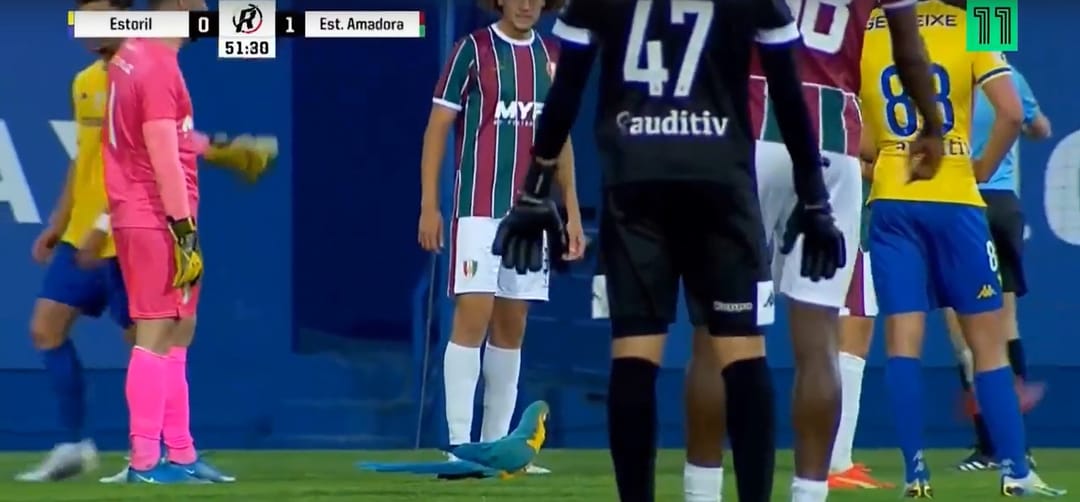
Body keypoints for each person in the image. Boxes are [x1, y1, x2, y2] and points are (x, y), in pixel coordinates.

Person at [494, 0, 850, 500]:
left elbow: (567, 88)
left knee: (636, 352)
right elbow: (788, 96)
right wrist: (815, 199)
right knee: (741, 350)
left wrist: (535, 187)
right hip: (720, 182)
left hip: (635, 181)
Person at [860, 0, 1065, 497]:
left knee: (902, 342)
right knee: (989, 344)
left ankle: (915, 474)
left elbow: (861, 140)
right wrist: (980, 168)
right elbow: (1015, 113)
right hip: (957, 197)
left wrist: (887, 163)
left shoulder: (870, 25)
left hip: (892, 199)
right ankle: (1015, 469)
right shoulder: (978, 20)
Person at [748, 0, 948, 496]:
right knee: (964, 334)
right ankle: (1005, 455)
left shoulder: (973, 26)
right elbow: (1007, 104)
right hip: (943, 183)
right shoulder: (975, 28)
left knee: (730, 332)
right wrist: (938, 129)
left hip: (757, 132)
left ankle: (716, 484)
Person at [417, 0, 585, 473]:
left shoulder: (550, 57)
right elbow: (436, 130)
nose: (527, 4)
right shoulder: (471, 50)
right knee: (472, 316)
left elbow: (561, 138)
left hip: (529, 219)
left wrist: (570, 210)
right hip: (477, 210)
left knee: (512, 327)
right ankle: (457, 444)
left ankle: (498, 448)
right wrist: (430, 204)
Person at [103, 0, 235, 484]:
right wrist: (183, 231)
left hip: (144, 214)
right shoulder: (157, 64)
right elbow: (160, 154)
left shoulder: (132, 54)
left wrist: (218, 148)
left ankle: (181, 453)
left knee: (178, 332)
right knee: (156, 334)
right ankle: (144, 460)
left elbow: (164, 137)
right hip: (157, 217)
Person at [944, 65, 1052, 472]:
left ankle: (990, 447)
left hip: (958, 201)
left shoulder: (940, 69)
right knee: (1006, 327)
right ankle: (1016, 447)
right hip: (1003, 204)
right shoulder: (1007, 74)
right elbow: (1040, 127)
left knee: (965, 334)